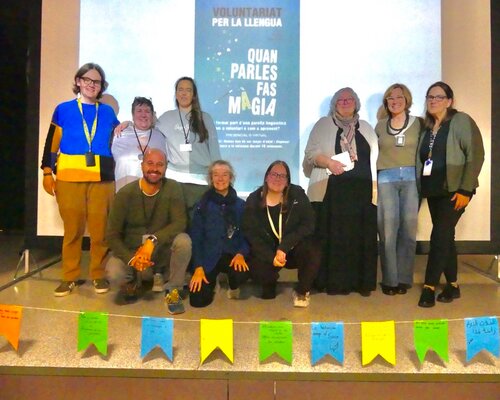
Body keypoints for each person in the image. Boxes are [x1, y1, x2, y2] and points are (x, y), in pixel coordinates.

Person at [41, 62, 119, 297]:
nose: (91, 85)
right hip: (69, 177)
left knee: (100, 231)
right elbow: (51, 143)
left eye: (96, 82)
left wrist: (126, 125)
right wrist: (47, 171)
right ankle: (69, 277)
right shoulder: (63, 109)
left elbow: (119, 138)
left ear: (101, 86)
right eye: (87, 80)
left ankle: (98, 274)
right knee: (72, 230)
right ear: (78, 81)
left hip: (102, 178)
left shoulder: (108, 112)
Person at [304, 88, 378, 296]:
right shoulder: (323, 124)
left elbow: (374, 159)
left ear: (356, 103)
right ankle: (331, 282)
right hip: (331, 192)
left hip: (361, 193)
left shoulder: (366, 127)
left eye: (349, 99)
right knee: (331, 237)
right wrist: (329, 162)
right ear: (334, 105)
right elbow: (311, 153)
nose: (345, 102)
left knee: (358, 239)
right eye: (340, 100)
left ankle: (360, 283)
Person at [416, 81, 484, 308]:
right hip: (434, 190)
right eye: (430, 97)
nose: (433, 100)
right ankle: (453, 285)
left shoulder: (460, 120)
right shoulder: (427, 127)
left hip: (456, 190)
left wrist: (465, 189)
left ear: (449, 101)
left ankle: (429, 286)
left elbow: (475, 154)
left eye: (438, 97)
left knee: (439, 236)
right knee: (446, 236)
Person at [115, 77, 221, 215]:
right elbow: (144, 124)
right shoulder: (166, 118)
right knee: (178, 221)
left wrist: (217, 177)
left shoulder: (205, 118)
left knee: (198, 223)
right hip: (175, 180)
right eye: (180, 89)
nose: (184, 93)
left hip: (201, 181)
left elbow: (214, 150)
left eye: (188, 90)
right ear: (176, 94)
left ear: (194, 95)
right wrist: (128, 123)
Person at [105, 148, 192, 314]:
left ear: (166, 167)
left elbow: (180, 223)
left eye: (160, 164)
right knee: (114, 272)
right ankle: (133, 283)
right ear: (142, 165)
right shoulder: (125, 193)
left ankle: (172, 290)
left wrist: (152, 241)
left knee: (183, 241)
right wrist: (132, 259)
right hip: (134, 253)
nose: (154, 168)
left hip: (161, 251)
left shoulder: (173, 188)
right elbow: (112, 235)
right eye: (150, 163)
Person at [243, 160, 320, 308]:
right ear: (266, 177)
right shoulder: (253, 200)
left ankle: (302, 291)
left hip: (291, 249)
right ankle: (269, 282)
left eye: (282, 176)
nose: (277, 179)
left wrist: (284, 247)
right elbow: (251, 234)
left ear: (287, 181)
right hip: (268, 252)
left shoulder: (297, 195)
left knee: (312, 250)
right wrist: (271, 257)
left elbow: (308, 224)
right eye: (274, 174)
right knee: (263, 284)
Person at [375, 84, 422, 295]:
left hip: (412, 179)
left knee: (408, 230)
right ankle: (390, 280)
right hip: (386, 178)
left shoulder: (419, 123)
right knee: (388, 230)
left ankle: (404, 278)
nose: (395, 101)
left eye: (399, 97)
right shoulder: (380, 126)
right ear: (386, 102)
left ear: (407, 99)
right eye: (390, 98)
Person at [188, 160, 250, 308]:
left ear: (231, 178)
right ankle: (213, 280)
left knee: (240, 273)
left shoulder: (241, 205)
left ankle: (233, 284)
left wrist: (241, 253)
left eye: (225, 174)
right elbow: (196, 238)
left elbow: (248, 234)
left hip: (232, 254)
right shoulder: (202, 205)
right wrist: (198, 267)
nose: (220, 178)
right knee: (197, 301)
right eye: (216, 175)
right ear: (210, 178)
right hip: (209, 256)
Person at [111, 97, 166, 191]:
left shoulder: (160, 137)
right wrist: (128, 123)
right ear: (133, 115)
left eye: (147, 111)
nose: (143, 115)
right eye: (139, 111)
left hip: (152, 191)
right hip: (125, 190)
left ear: (152, 115)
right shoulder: (120, 134)